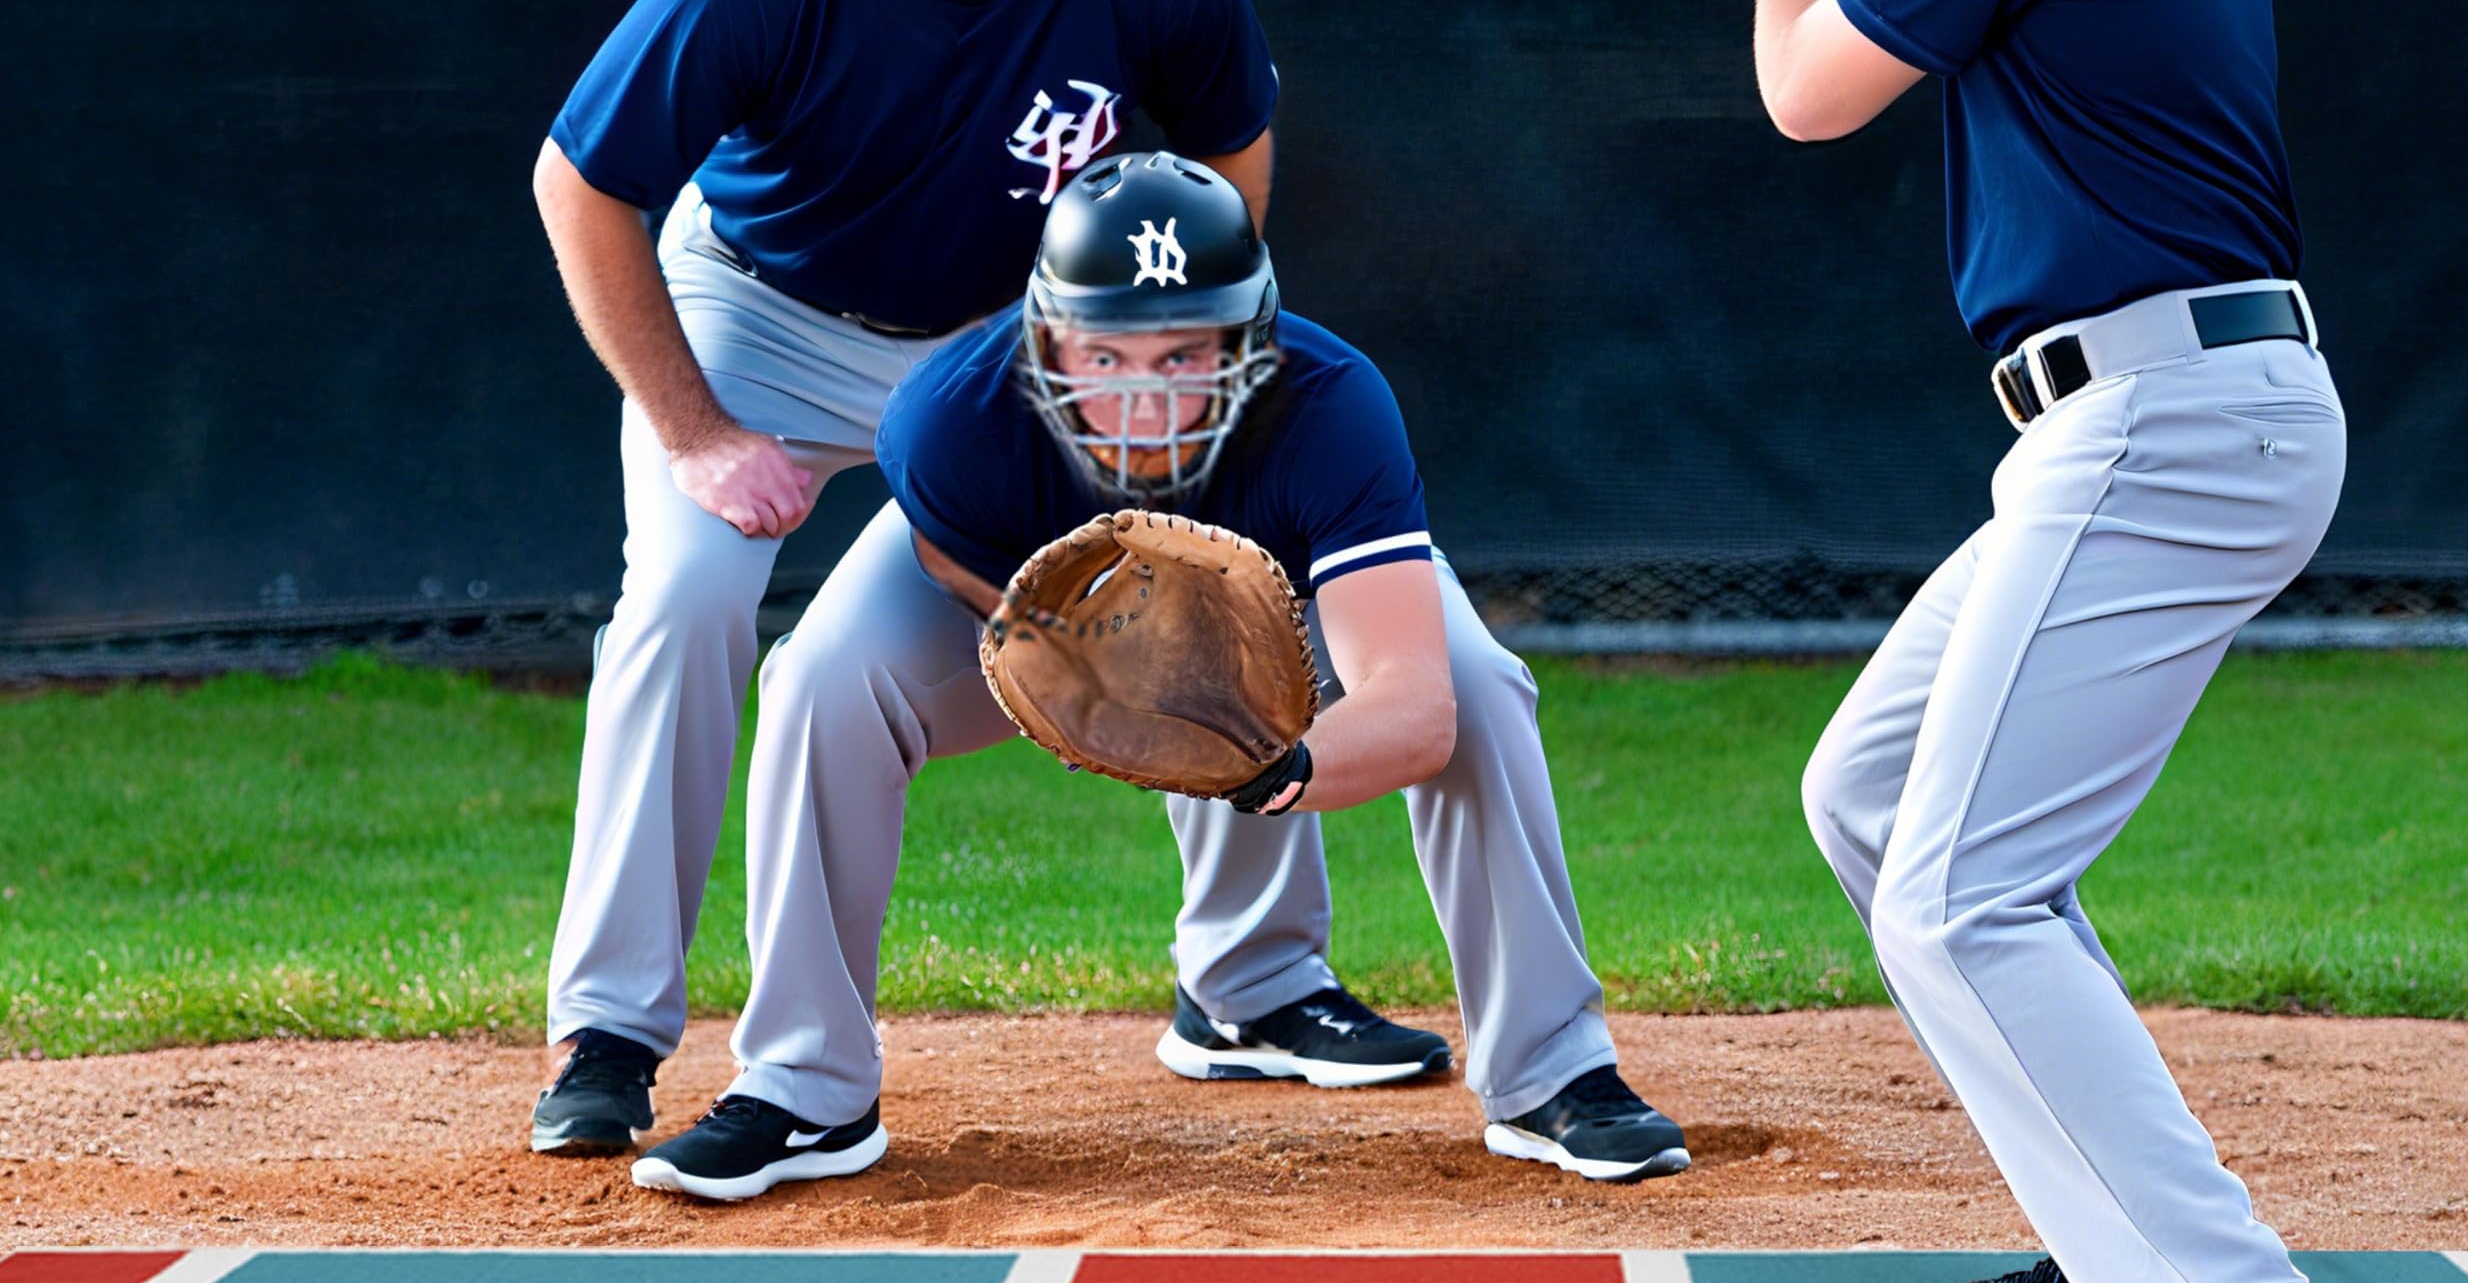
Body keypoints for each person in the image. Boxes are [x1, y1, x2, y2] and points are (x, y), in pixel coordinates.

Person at [1724, 0, 2396, 1283]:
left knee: (1956, 885)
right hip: (2138, 419)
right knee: (1867, 800)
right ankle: (2122, 1255)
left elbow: (1801, 90)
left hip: (2165, 419)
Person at [529, 0, 1441, 1157]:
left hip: (1028, 335)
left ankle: (1255, 987)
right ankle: (611, 1029)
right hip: (760, 310)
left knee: (1203, 578)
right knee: (683, 599)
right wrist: (698, 433)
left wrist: (1160, 364)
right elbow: (582, 187)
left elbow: (1231, 171)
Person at [629, 153, 1691, 1201]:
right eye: (1109, 355)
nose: (1143, 393)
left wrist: (1266, 766)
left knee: (1482, 686)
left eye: (1184, 357)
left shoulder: (1328, 404)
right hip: (1041, 592)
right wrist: (1087, 661)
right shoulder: (952, 416)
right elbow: (961, 570)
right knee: (819, 676)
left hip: (1285, 578)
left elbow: (1415, 707)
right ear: (1045, 338)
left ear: (1250, 339)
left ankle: (1553, 1072)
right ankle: (804, 1084)